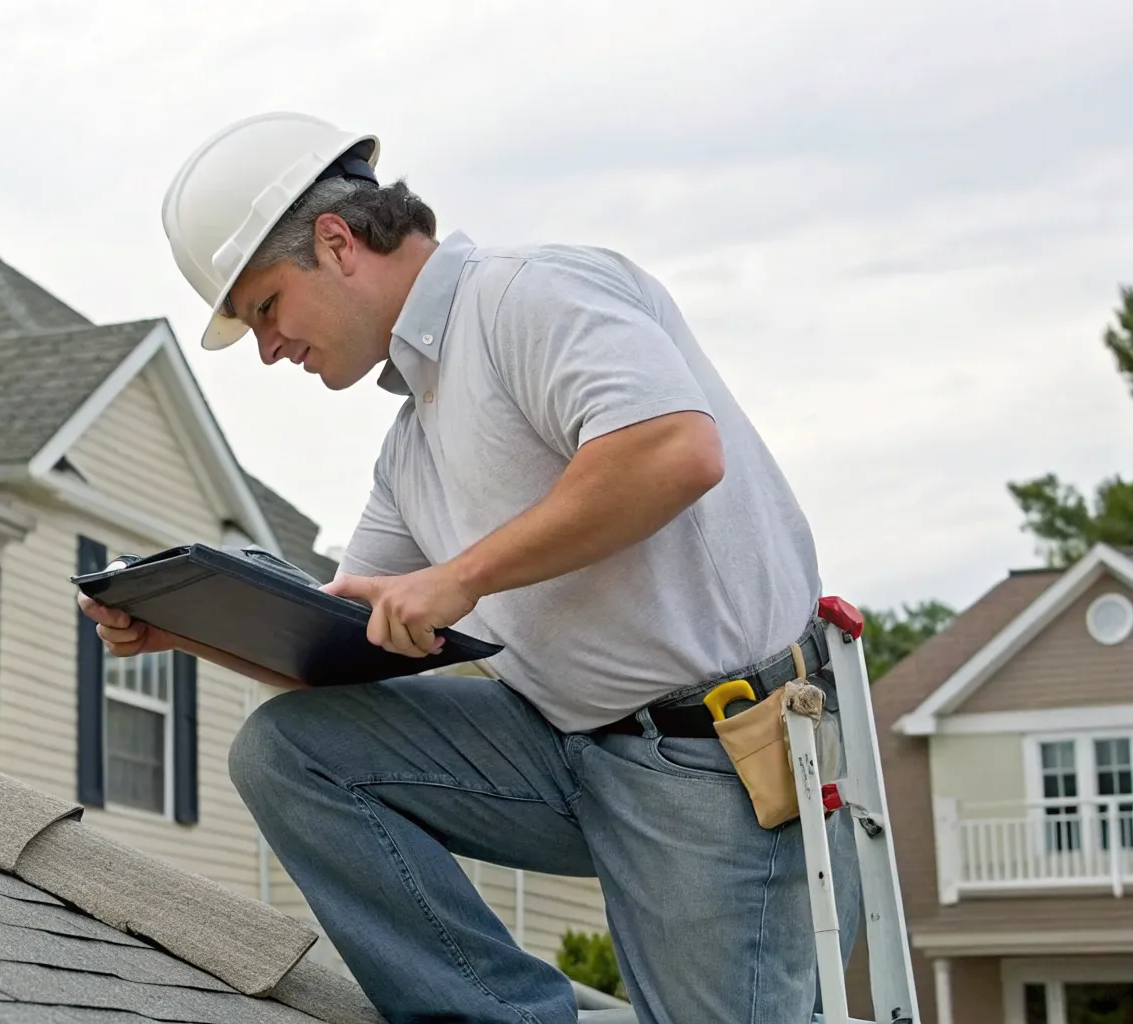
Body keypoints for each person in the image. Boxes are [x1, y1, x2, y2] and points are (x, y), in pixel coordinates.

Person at [78, 111, 860, 1024]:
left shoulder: (527, 295)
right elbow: (334, 652)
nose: (268, 348)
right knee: (292, 751)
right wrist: (185, 630)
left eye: (265, 309)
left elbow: (673, 453)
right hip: (567, 748)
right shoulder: (412, 443)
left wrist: (461, 578)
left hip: (713, 758)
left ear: (335, 243)